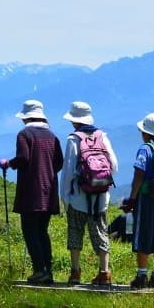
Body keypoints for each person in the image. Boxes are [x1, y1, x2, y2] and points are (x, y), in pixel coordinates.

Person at [0, 100, 63, 284]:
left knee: (29, 230)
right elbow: (59, 162)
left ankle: (39, 270)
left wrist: (9, 164)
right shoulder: (52, 136)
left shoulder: (24, 134)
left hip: (30, 191)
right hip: (49, 190)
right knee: (42, 231)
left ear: (26, 117)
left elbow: (24, 158)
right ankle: (47, 270)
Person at [58, 102, 118, 286]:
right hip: (100, 197)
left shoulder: (73, 139)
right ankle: (104, 272)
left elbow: (67, 172)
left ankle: (75, 273)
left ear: (74, 120)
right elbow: (114, 166)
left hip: (78, 198)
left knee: (75, 233)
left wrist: (65, 198)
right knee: (100, 232)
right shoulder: (102, 136)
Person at [122, 112, 154, 289]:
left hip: (146, 198)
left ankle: (141, 275)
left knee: (143, 233)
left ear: (146, 133)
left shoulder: (145, 149)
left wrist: (132, 198)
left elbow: (139, 173)